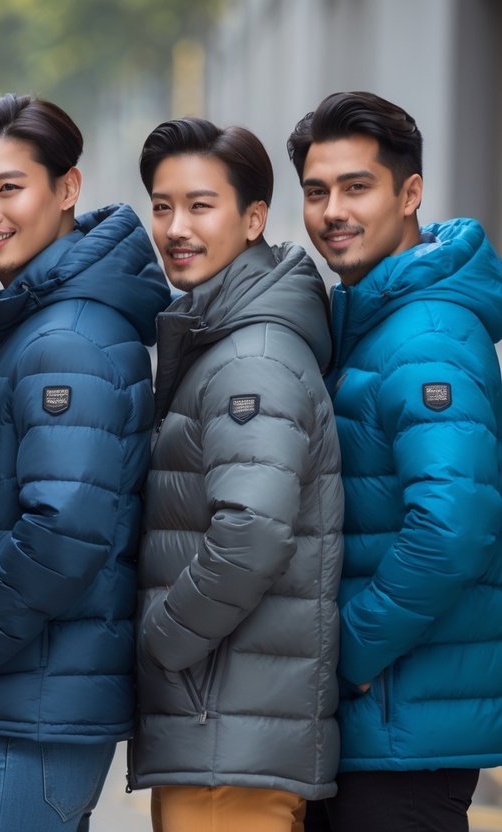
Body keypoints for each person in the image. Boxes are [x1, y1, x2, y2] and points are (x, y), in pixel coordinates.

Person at [0, 94, 170, 831]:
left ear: (68, 188)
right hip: (30, 693)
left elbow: (63, 527)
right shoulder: (45, 317)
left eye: (9, 188)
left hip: (32, 701)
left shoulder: (65, 336)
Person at [288, 91, 502, 832]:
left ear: (409, 194)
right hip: (382, 722)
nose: (332, 212)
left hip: (399, 728)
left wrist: (344, 654)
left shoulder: (426, 334)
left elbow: (453, 525)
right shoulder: (373, 321)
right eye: (316, 191)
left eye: (356, 187)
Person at [128, 117, 342, 832]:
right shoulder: (226, 337)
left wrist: (164, 643)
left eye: (200, 205)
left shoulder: (250, 359)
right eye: (162, 206)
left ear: (253, 219)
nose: (175, 228)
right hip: (227, 730)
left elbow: (251, 531)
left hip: (224, 736)